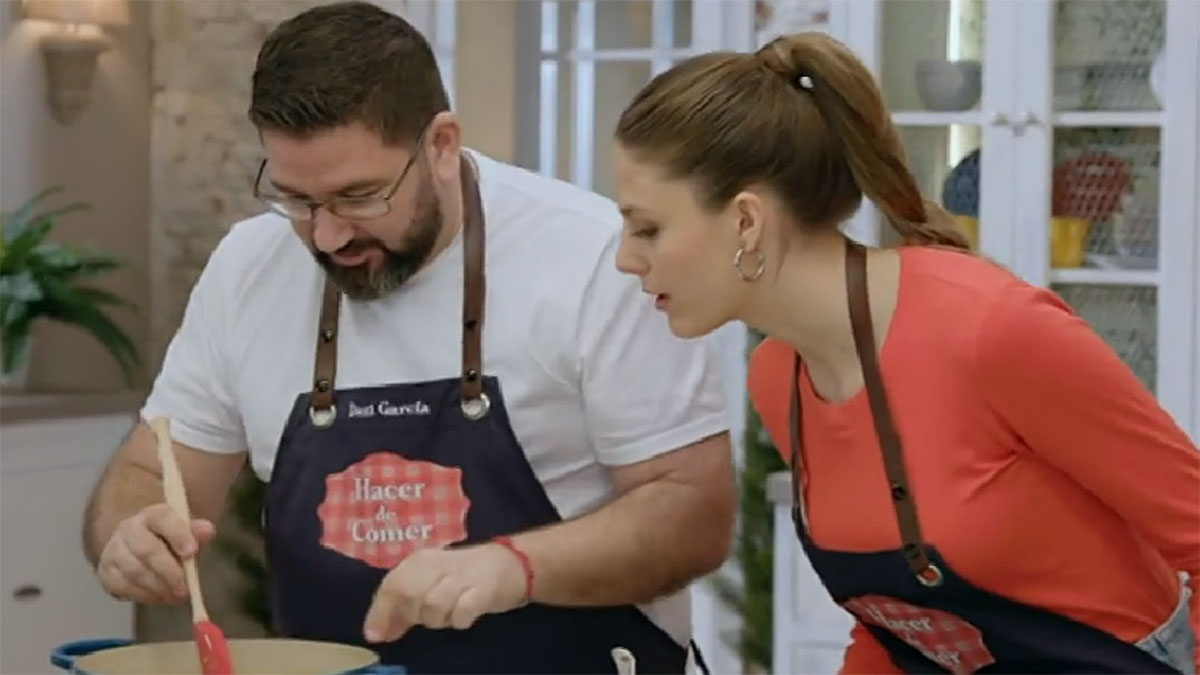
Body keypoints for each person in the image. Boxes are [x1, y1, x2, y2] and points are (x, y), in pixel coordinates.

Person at [81, 2, 735, 673]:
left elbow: (693, 511)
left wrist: (515, 566)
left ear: (442, 145)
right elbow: (148, 470)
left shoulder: (594, 259)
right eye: (298, 200)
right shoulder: (249, 268)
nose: (328, 234)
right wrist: (130, 530)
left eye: (359, 195)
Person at [610, 29, 1200, 675]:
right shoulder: (780, 377)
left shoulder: (991, 330)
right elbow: (903, 626)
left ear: (747, 220)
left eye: (648, 227)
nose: (625, 258)